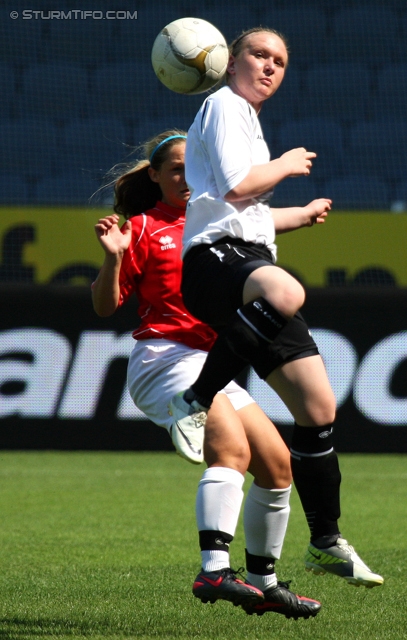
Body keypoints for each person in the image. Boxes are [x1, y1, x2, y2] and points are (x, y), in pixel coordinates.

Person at [168, 27, 383, 589]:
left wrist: (298, 214)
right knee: (286, 291)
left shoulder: (244, 119)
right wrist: (286, 164)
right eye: (259, 55)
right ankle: (197, 401)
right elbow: (239, 189)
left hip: (243, 256)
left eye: (280, 61)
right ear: (230, 61)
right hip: (215, 263)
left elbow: (243, 210)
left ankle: (326, 541)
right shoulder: (223, 104)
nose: (269, 66)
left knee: (317, 406)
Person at [91, 130, 322, 620]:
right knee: (232, 451)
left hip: (208, 362)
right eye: (174, 169)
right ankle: (214, 569)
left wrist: (304, 215)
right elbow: (104, 306)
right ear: (154, 176)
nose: (185, 178)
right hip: (165, 360)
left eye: (192, 168)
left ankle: (265, 582)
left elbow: (265, 221)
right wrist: (112, 258)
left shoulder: (215, 221)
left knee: (279, 465)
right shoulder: (144, 228)